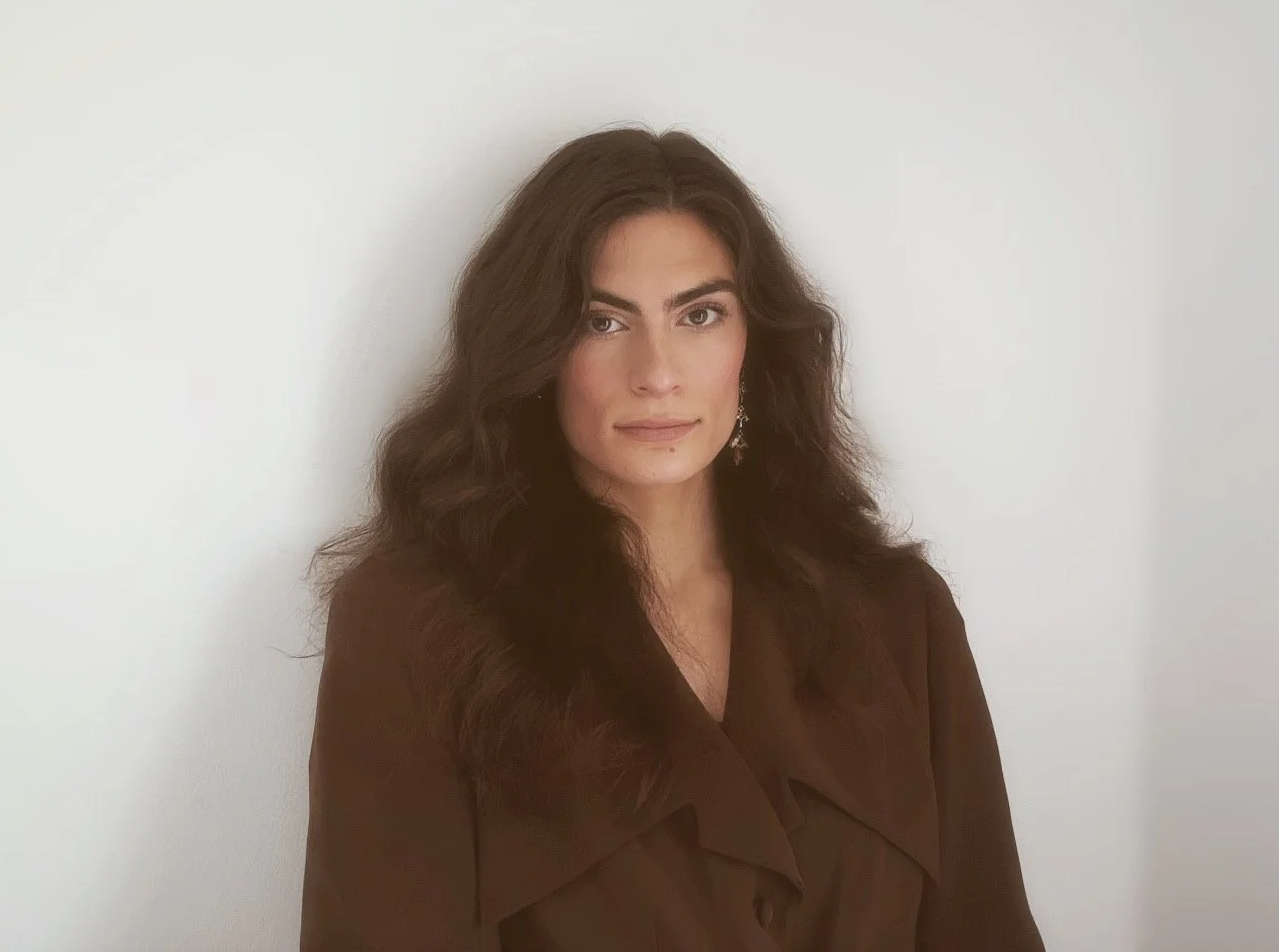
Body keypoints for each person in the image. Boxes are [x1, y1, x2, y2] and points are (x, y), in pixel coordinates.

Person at [300, 127, 1044, 951]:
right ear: (537, 353)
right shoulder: (416, 627)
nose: (658, 372)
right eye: (603, 322)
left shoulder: (899, 616)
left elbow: (988, 927)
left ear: (751, 345)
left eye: (699, 314)